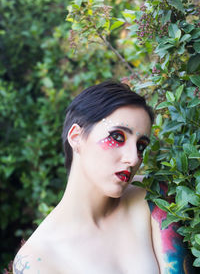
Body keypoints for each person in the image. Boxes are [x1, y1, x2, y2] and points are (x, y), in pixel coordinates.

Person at [13, 80, 195, 274]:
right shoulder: (36, 260)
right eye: (117, 137)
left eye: (141, 146)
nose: (133, 159)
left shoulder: (151, 194)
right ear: (76, 137)